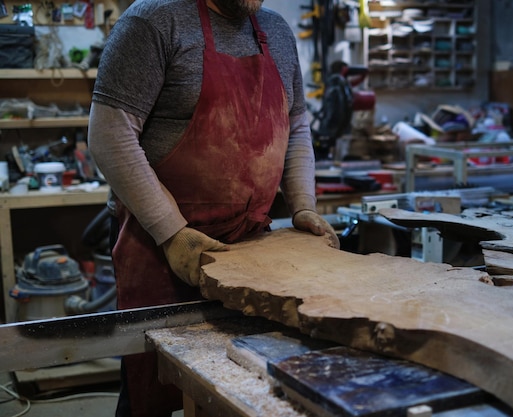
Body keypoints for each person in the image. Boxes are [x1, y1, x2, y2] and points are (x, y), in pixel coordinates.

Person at [87, 0, 339, 416]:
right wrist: (171, 232)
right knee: (156, 390)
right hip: (165, 252)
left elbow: (296, 125)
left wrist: (302, 205)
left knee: (243, 386)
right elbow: (109, 135)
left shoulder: (275, 31)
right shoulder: (152, 22)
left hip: (252, 253)